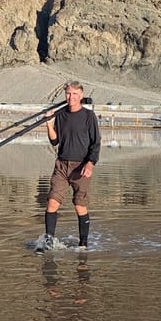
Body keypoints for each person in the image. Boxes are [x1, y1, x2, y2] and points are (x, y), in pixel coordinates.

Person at [39, 81, 101, 250]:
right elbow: (54, 141)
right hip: (62, 165)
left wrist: (90, 164)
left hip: (81, 166)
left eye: (74, 94)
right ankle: (48, 241)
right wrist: (49, 124)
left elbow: (96, 143)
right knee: (52, 202)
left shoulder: (89, 116)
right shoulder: (61, 114)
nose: (70, 97)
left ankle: (83, 244)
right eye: (68, 94)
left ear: (81, 96)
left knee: (79, 205)